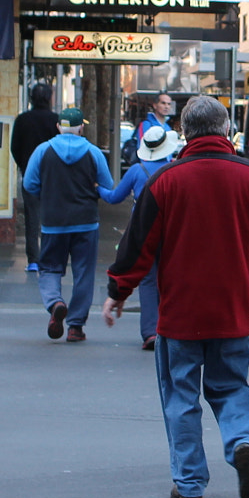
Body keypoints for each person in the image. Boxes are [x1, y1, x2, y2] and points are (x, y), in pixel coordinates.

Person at [103, 95, 249, 498]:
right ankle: (241, 442)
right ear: (227, 129)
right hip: (232, 310)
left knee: (180, 398)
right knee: (230, 388)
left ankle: (190, 484)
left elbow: (137, 245)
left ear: (185, 132)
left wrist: (117, 292)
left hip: (179, 314)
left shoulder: (166, 181)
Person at [22, 107, 113, 343]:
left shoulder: (42, 151)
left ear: (58, 127)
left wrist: (48, 194)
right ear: (81, 128)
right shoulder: (94, 153)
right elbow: (108, 184)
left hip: (53, 222)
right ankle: (76, 326)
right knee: (84, 273)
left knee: (50, 267)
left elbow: (29, 184)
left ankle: (55, 302)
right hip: (86, 222)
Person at [99, 123, 176, 351]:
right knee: (168, 278)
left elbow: (114, 197)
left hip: (141, 230)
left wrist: (97, 189)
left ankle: (150, 332)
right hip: (169, 229)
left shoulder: (136, 170)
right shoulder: (173, 169)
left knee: (147, 280)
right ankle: (168, 328)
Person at [10, 81, 61, 272]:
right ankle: (50, 257)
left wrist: (24, 166)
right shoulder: (55, 120)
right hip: (52, 177)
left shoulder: (22, 120)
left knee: (32, 218)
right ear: (49, 98)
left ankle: (33, 259)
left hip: (30, 176)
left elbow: (15, 147)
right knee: (51, 218)